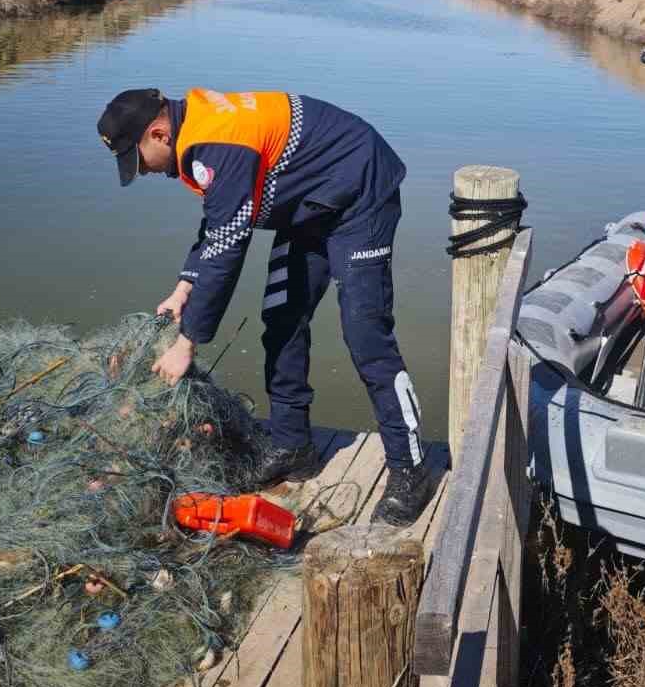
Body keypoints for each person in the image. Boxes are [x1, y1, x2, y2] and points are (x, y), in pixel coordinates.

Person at [96, 87, 432, 526]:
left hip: (358, 193)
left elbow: (229, 247)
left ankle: (411, 468)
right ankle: (294, 444)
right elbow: (221, 222)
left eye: (137, 160)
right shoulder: (196, 132)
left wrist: (188, 342)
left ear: (158, 134)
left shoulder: (218, 141)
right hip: (310, 202)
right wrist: (184, 287)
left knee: (365, 332)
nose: (140, 172)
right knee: (282, 318)